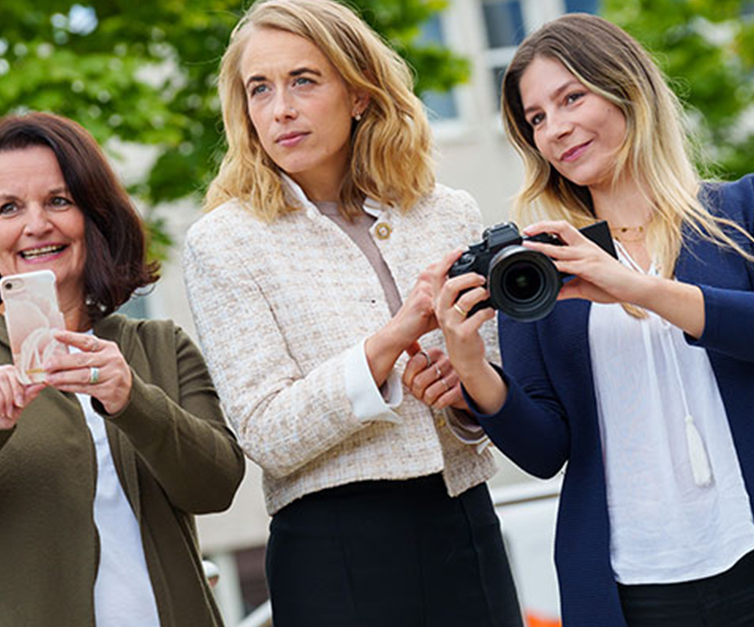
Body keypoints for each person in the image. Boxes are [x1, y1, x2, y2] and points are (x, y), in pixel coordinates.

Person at [426, 13, 754, 627]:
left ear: (627, 88)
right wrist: (472, 368)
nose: (556, 129)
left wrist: (636, 286)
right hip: (632, 591)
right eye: (536, 119)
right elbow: (544, 450)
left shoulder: (752, 207)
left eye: (571, 97)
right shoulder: (539, 268)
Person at [182, 1, 523, 624]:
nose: (280, 109)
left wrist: (462, 393)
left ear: (359, 94)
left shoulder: (447, 212)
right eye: (260, 89)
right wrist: (391, 340)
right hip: (332, 550)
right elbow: (266, 433)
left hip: (465, 525)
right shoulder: (224, 242)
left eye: (303, 81)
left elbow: (499, 383)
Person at [0, 112, 245, 627]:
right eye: (10, 207)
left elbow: (216, 487)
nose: (36, 225)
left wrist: (133, 401)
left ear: (93, 213)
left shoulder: (160, 346)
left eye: (58, 201)